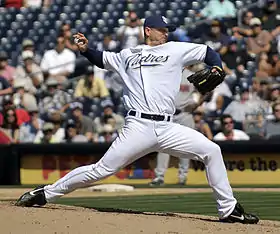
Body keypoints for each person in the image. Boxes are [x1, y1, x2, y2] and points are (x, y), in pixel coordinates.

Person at [15, 15, 259, 224]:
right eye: (163, 30)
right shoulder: (126, 55)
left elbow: (208, 52)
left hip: (167, 126)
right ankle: (46, 193)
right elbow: (101, 59)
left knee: (212, 150)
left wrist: (217, 68)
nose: (166, 34)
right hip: (138, 127)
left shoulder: (175, 49)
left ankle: (228, 211)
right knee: (100, 170)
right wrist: (86, 50)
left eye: (168, 30)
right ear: (148, 31)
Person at [149, 68, 198, 186]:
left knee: (185, 147)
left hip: (185, 114)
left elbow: (207, 91)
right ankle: (159, 176)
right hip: (168, 114)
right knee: (163, 145)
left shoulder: (191, 76)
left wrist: (197, 103)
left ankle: (183, 176)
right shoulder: (166, 73)